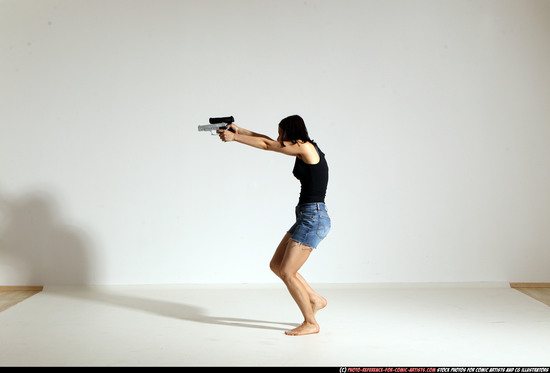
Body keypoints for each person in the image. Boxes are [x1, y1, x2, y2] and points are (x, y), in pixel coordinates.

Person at [217, 115, 331, 336]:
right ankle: (316, 299)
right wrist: (239, 130)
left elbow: (268, 145)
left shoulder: (306, 148)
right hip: (306, 216)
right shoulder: (301, 147)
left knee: (288, 272)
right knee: (277, 265)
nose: (279, 137)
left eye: (282, 133)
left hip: (314, 218)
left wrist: (235, 138)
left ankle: (310, 323)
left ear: (292, 133)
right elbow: (268, 140)